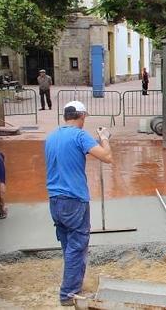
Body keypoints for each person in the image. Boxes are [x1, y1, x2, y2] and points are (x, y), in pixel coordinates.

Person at [45, 101, 112, 306]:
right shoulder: (79, 135)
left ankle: (72, 283)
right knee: (77, 245)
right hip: (74, 200)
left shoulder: (52, 136)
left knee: (68, 245)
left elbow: (68, 154)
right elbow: (107, 157)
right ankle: (68, 293)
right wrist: (104, 138)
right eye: (85, 117)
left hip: (54, 200)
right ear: (81, 116)